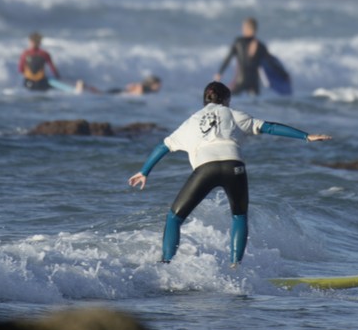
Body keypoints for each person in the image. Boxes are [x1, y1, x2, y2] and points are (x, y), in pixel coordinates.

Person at [127, 81, 330, 265]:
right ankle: (235, 267)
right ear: (226, 100)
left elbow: (163, 147)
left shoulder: (190, 122)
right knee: (239, 216)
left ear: (205, 100)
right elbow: (269, 127)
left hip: (205, 169)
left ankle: (166, 264)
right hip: (235, 166)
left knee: (174, 218)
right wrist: (306, 136)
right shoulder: (233, 114)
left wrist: (144, 171)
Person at [215, 17, 272, 96]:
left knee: (228, 99)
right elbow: (271, 63)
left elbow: (228, 59)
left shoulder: (238, 42)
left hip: (240, 80)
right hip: (254, 82)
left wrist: (219, 72)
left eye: (243, 27)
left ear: (247, 28)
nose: (242, 29)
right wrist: (284, 75)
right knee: (255, 104)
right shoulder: (261, 46)